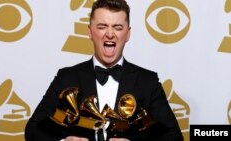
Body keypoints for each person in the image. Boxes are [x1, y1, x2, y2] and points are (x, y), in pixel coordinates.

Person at [25, 0, 183, 141]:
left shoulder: (147, 81)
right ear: (90, 32)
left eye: (117, 27)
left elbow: (174, 136)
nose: (109, 34)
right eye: (102, 27)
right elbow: (33, 130)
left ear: (127, 33)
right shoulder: (66, 77)